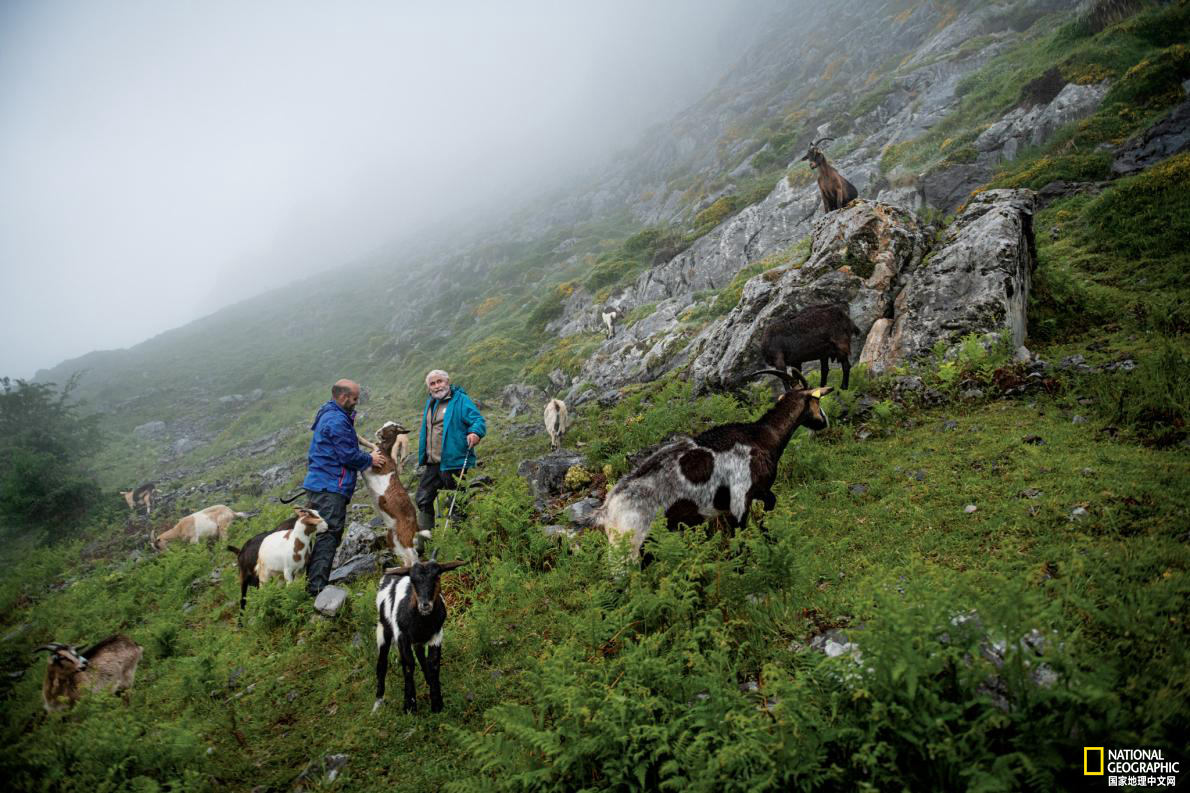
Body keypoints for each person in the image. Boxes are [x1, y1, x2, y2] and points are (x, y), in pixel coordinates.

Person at [302, 379, 385, 597]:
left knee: (316, 532)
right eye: (355, 398)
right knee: (329, 533)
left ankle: (309, 580)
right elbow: (348, 455)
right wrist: (370, 458)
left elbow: (345, 443)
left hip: (319, 484)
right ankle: (317, 588)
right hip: (330, 486)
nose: (357, 403)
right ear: (343, 397)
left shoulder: (331, 413)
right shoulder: (336, 420)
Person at [415, 369, 486, 534]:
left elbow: (477, 420)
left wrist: (475, 432)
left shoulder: (461, 400)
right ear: (429, 388)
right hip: (433, 463)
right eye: (432, 384)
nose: (437, 386)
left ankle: (459, 536)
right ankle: (425, 542)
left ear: (447, 382)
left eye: (439, 381)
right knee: (423, 498)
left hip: (454, 460)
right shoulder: (431, 403)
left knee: (457, 500)